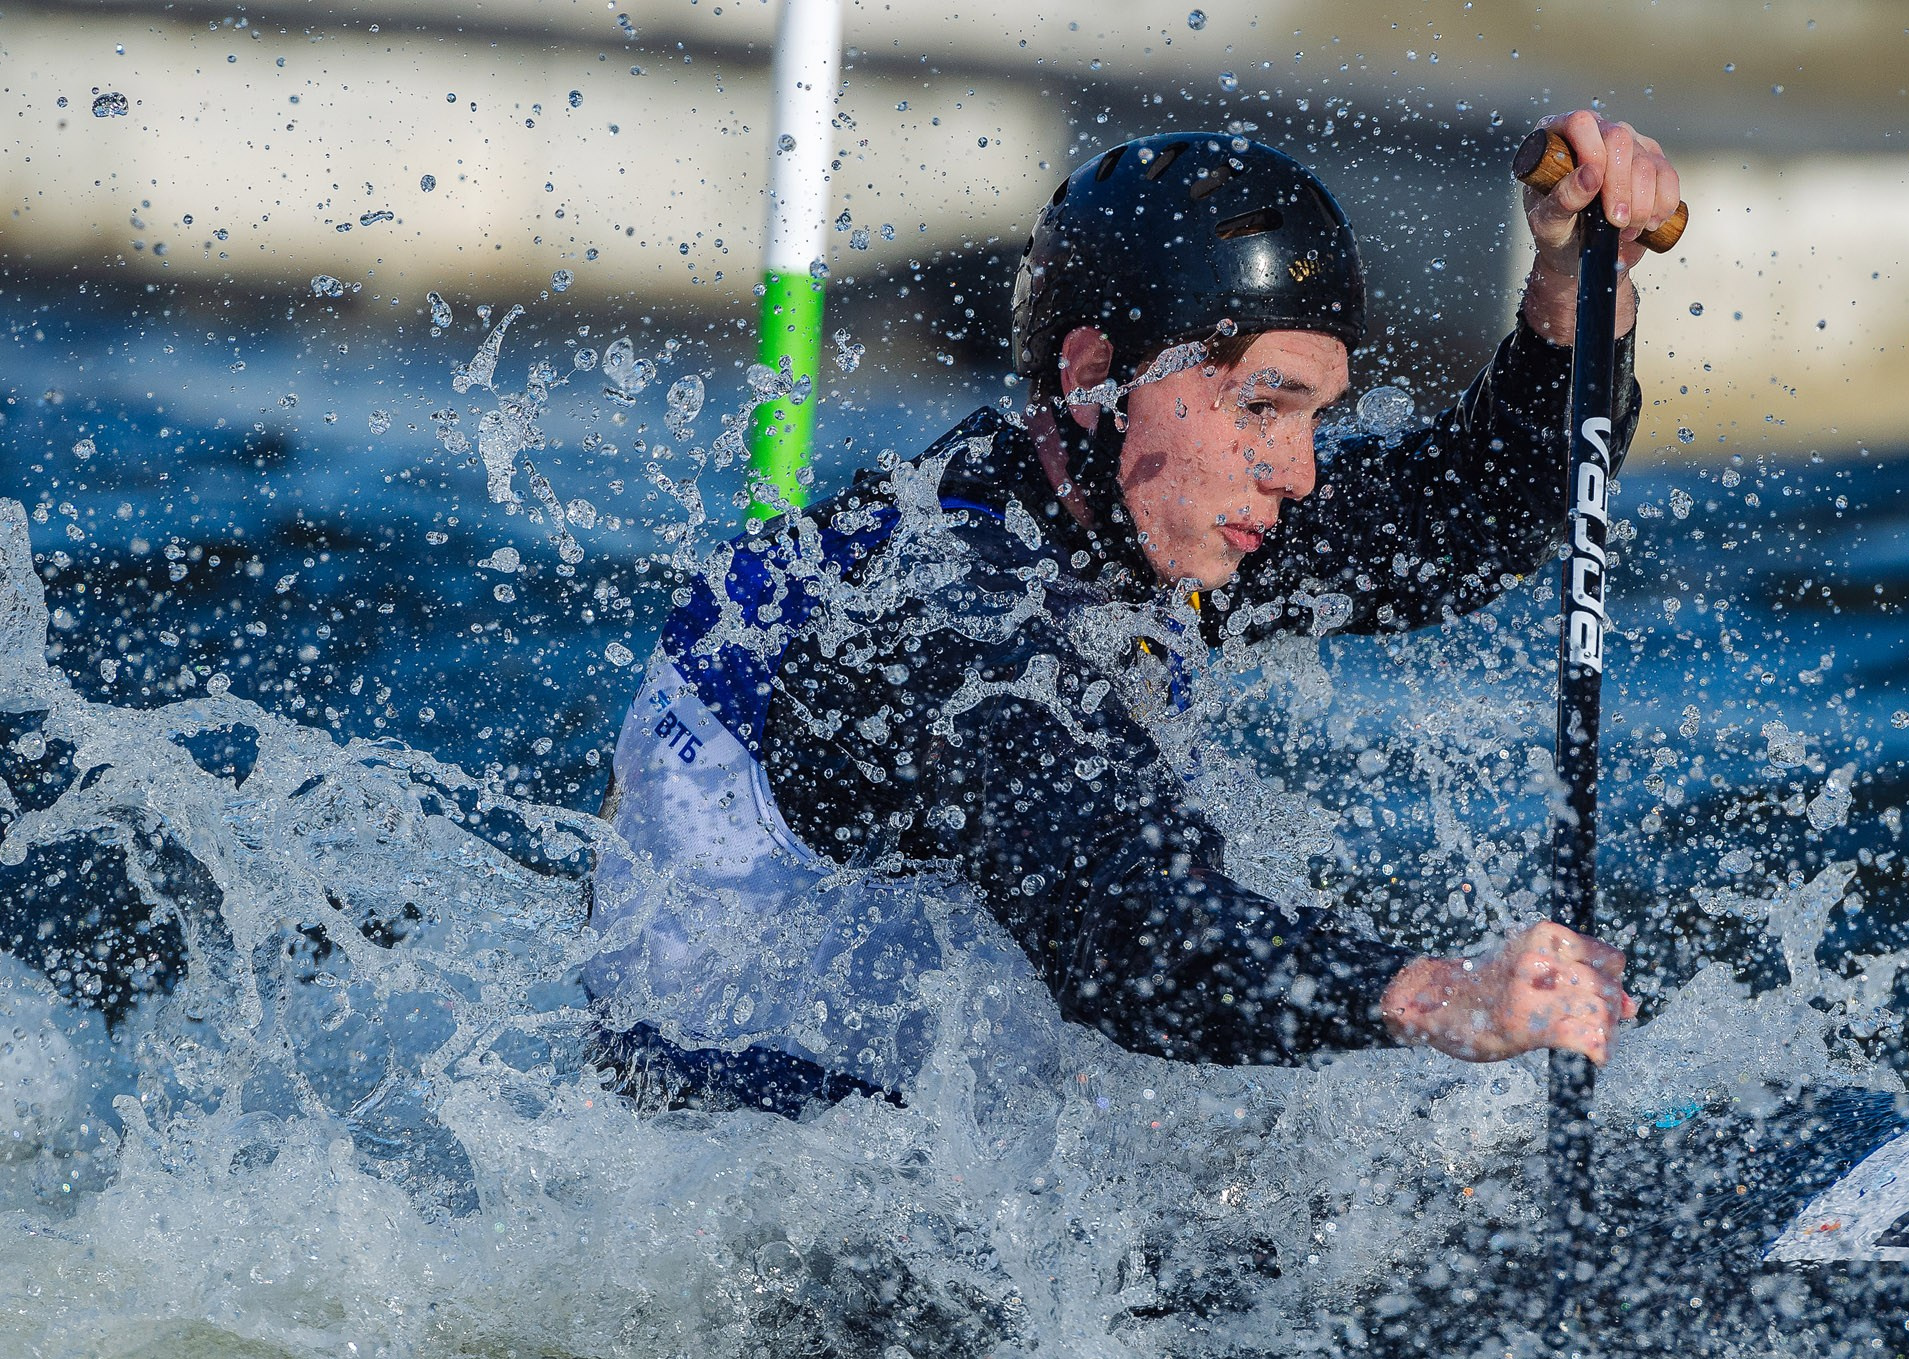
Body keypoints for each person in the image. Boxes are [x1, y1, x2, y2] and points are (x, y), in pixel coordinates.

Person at [583, 111, 1683, 1118]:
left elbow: (1465, 519)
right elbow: (1127, 930)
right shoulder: (951, 614)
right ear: (1093, 373)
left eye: (1314, 416)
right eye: (1262, 405)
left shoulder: (1119, 507)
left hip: (917, 1167)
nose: (1296, 472)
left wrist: (1573, 290)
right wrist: (1439, 996)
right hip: (753, 1231)